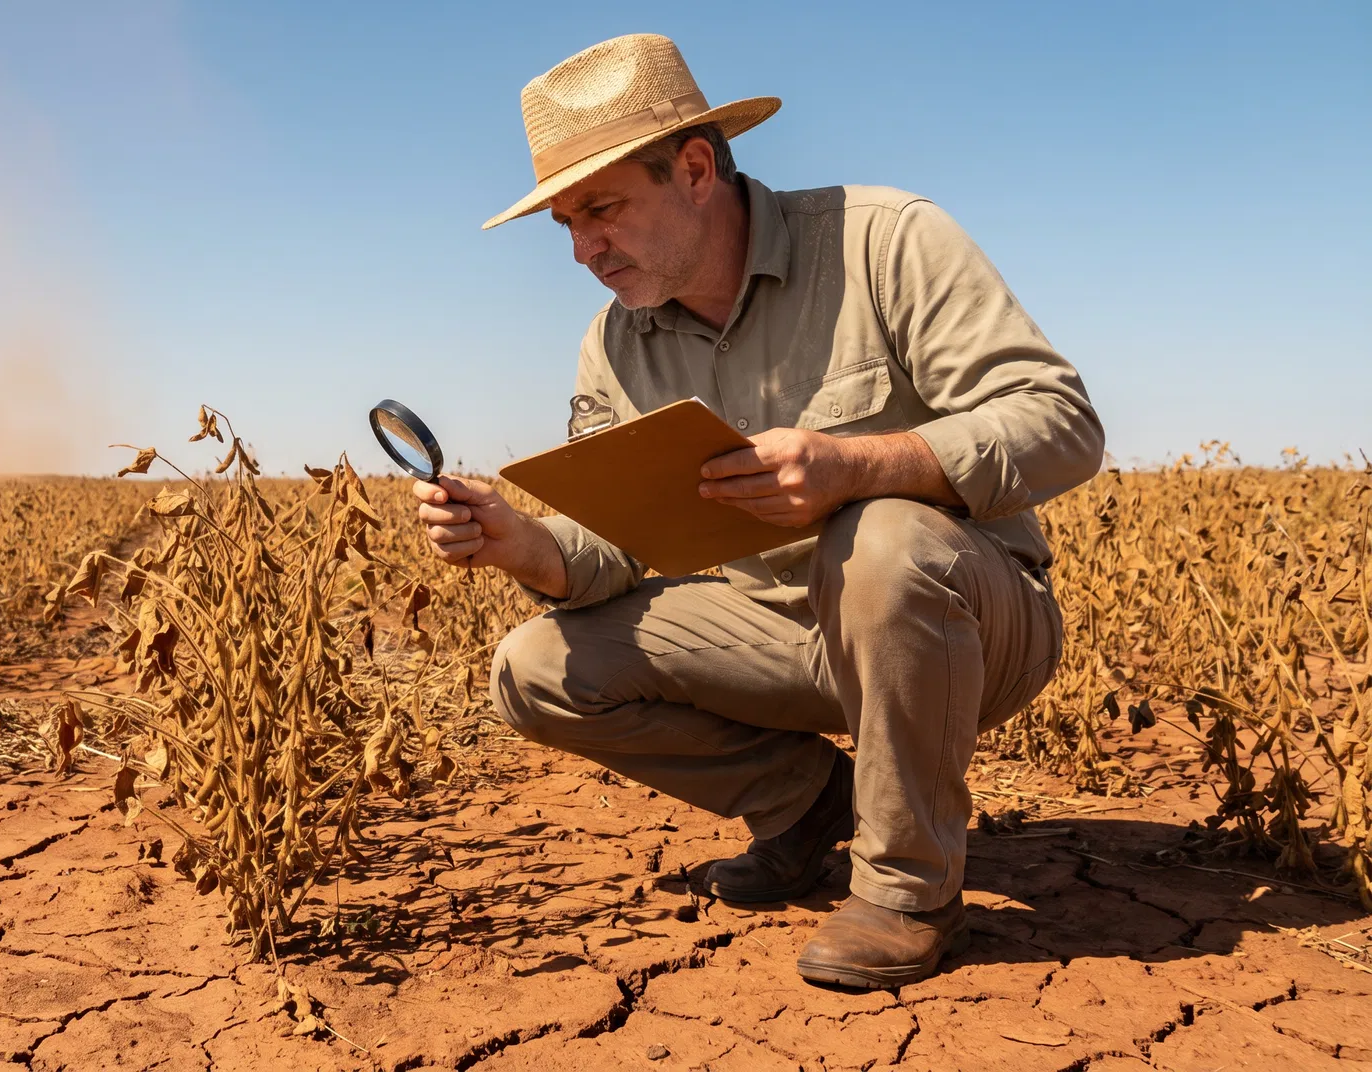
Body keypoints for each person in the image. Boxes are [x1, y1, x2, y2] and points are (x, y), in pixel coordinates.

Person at [415, 33, 1104, 989]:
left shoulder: (884, 240)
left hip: (969, 630)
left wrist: (856, 466)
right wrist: (521, 543)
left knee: (883, 535)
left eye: (603, 210)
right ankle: (805, 804)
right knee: (535, 668)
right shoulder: (615, 345)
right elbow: (618, 542)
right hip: (779, 641)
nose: (583, 250)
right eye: (565, 224)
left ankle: (908, 890)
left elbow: (1061, 423)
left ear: (697, 169)